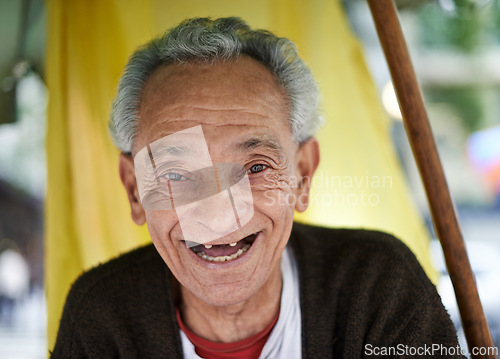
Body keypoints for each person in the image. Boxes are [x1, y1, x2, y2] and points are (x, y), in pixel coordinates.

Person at [51, 17, 464, 358]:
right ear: (134, 190)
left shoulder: (376, 283)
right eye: (176, 174)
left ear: (301, 176)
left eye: (256, 166)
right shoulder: (100, 313)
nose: (217, 214)